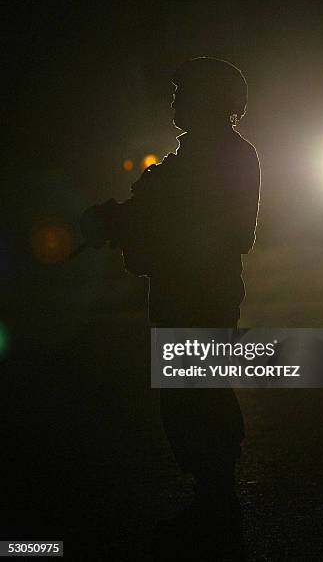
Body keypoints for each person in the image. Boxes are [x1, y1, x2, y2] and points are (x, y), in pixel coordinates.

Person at [80, 57, 260, 557]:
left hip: (197, 292)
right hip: (194, 289)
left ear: (207, 98)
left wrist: (120, 225)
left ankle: (216, 507)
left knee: (196, 394)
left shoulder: (214, 157)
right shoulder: (212, 154)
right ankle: (213, 501)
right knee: (192, 393)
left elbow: (210, 226)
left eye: (184, 92)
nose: (175, 101)